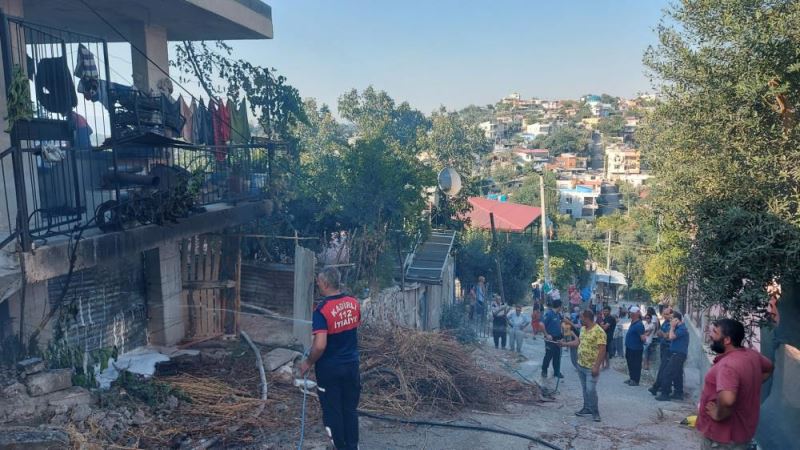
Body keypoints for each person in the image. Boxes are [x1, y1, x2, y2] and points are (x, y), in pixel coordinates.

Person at [299, 268, 362, 450]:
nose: (317, 284)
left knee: (333, 412)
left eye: (318, 281)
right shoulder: (353, 303)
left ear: (325, 284)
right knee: (349, 409)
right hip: (351, 366)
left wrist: (308, 362)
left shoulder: (321, 310)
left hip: (330, 370)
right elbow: (353, 326)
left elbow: (320, 345)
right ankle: (352, 446)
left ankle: (340, 447)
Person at [696, 319, 773, 449]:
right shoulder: (751, 354)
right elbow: (769, 368)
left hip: (722, 438)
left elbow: (727, 400)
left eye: (715, 332)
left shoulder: (727, 366)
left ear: (727, 340)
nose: (710, 335)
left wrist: (718, 414)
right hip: (741, 434)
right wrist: (748, 385)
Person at [560, 309, 606, 422]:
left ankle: (595, 412)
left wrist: (596, 366)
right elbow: (578, 343)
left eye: (581, 318)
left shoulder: (599, 331)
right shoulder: (583, 329)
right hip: (581, 365)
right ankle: (587, 408)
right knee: (585, 389)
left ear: (586, 318)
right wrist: (564, 344)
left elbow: (602, 350)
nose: (580, 320)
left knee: (591, 389)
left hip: (591, 367)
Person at [656, 311, 690, 401]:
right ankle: (678, 393)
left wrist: (672, 327)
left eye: (672, 319)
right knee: (677, 374)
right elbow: (667, 336)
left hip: (678, 354)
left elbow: (671, 337)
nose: (670, 321)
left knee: (668, 372)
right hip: (676, 353)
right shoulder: (678, 328)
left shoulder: (682, 328)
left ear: (676, 319)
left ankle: (665, 394)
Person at [649, 307, 674, 396]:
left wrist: (662, 334)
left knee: (663, 369)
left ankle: (657, 387)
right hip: (663, 347)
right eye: (664, 314)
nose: (665, 316)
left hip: (668, 348)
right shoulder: (666, 322)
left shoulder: (672, 324)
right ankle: (662, 387)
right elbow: (660, 333)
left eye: (667, 314)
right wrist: (662, 334)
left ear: (672, 314)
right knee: (664, 369)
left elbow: (667, 336)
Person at [541, 299, 564, 379]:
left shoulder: (558, 314)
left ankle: (556, 372)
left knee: (557, 356)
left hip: (558, 338)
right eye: (561, 306)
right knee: (548, 355)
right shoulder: (549, 314)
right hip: (550, 339)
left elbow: (562, 322)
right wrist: (546, 335)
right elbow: (541, 324)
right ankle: (544, 370)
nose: (562, 308)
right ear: (559, 306)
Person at [624, 306, 646, 386]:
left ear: (636, 314)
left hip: (636, 349)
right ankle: (631, 378)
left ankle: (635, 380)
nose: (630, 314)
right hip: (629, 347)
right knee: (630, 363)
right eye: (630, 313)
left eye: (632, 313)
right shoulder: (633, 322)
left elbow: (643, 338)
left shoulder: (639, 324)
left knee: (636, 364)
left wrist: (644, 338)